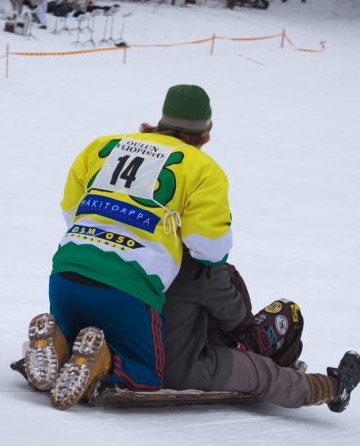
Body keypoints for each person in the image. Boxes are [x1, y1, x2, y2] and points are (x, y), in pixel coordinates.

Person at [24, 85, 235, 410]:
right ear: (204, 134)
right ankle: (103, 362)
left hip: (67, 273)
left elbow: (71, 209)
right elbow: (209, 248)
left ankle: (57, 340)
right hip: (130, 289)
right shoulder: (203, 169)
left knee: (74, 341)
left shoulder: (103, 145)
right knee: (147, 377)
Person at [160, 250, 360, 413]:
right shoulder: (201, 267)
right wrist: (227, 274)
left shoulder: (148, 252)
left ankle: (280, 362)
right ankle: (336, 388)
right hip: (187, 363)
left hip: (143, 351)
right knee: (266, 372)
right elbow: (239, 319)